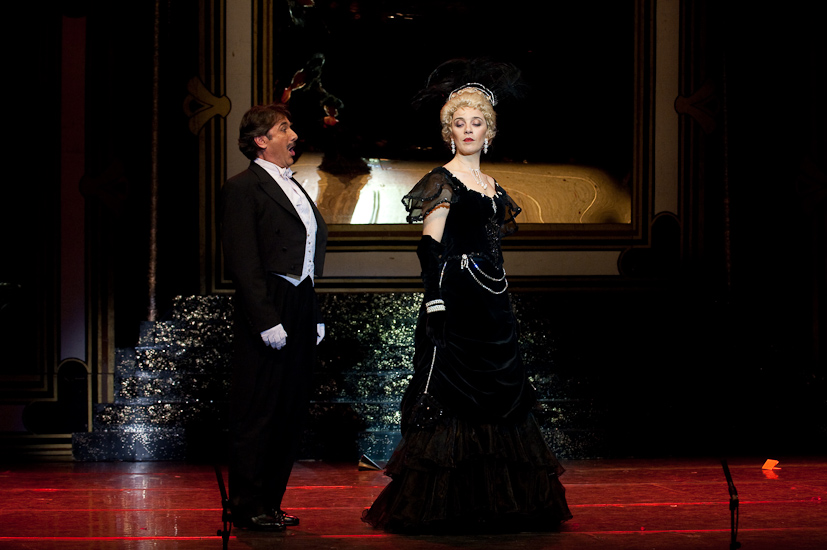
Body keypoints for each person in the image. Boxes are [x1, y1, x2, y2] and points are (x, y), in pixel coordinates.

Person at [362, 61, 572, 533]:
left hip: (492, 305)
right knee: (454, 397)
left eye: (477, 122)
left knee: (502, 396)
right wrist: (435, 302)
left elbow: (493, 249)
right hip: (457, 303)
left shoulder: (494, 188)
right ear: (449, 132)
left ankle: (499, 505)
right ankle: (448, 506)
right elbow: (429, 248)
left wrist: (500, 301)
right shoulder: (443, 181)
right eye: (460, 123)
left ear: (489, 132)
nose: (469, 129)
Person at [221, 102, 328, 531]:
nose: (293, 134)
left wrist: (312, 311)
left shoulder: (293, 185)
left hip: (299, 299)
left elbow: (307, 257)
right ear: (261, 140)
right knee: (259, 409)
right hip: (268, 301)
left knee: (290, 408)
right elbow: (243, 262)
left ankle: (270, 502)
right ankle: (246, 504)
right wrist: (265, 318)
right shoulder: (242, 188)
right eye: (284, 128)